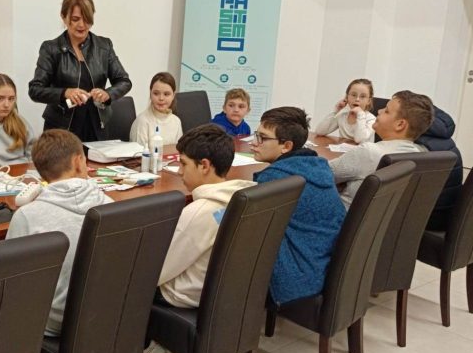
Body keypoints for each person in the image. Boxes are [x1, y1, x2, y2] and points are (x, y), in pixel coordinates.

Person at [5, 130, 111, 336]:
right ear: (78, 162)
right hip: (106, 311)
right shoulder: (109, 204)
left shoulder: (27, 216)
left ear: (40, 171)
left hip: (55, 321)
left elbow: (12, 284)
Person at [251, 107, 346, 305]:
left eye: (262, 138)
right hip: (324, 267)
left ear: (286, 146)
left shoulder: (275, 179)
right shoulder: (318, 167)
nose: (254, 143)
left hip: (297, 278)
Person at [158, 124, 254, 308]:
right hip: (225, 292)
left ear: (204, 165)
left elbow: (158, 271)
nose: (179, 171)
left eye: (183, 163)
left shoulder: (197, 213)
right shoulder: (243, 198)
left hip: (183, 296)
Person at [28, 0, 131, 142]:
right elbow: (35, 90)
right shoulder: (51, 49)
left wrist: (107, 94)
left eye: (87, 19)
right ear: (64, 17)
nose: (82, 25)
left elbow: (124, 81)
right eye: (75, 19)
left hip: (97, 127)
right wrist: (65, 93)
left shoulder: (104, 46)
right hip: (61, 129)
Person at [329, 90, 433, 207]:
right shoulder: (421, 154)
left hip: (337, 215)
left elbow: (320, 174)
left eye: (386, 111)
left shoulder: (369, 152)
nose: (379, 111)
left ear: (400, 124)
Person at [416, 103, 464, 231]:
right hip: (447, 213)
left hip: (430, 220)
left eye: (387, 111)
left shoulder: (419, 148)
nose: (379, 111)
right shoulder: (442, 138)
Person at [314, 78, 376, 144]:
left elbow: (360, 140)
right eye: (353, 95)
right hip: (343, 150)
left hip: (363, 150)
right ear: (346, 97)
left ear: (369, 101)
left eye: (362, 96)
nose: (357, 99)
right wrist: (335, 112)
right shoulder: (342, 114)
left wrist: (360, 114)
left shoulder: (371, 119)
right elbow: (320, 131)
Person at [130, 71, 183, 148]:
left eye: (166, 94)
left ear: (173, 95)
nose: (161, 98)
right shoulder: (142, 122)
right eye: (156, 93)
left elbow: (178, 151)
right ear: (150, 94)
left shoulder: (176, 121)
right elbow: (138, 153)